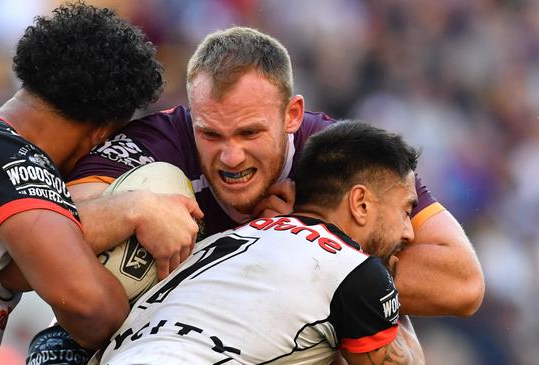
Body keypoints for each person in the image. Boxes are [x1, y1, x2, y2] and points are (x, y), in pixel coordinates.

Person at [27, 26, 483, 364]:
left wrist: (304, 239)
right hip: (130, 338)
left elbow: (461, 281)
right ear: (192, 116)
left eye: (249, 132)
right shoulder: (158, 144)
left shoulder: (340, 157)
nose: (230, 156)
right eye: (210, 133)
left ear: (292, 115)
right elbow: (46, 227)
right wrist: (134, 208)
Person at [0, 4, 202, 364]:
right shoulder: (4, 155)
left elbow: (14, 267)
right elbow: (93, 311)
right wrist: (135, 207)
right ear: (100, 133)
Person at [95, 121, 425, 365]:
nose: (409, 233)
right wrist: (387, 285)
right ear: (361, 204)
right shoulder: (351, 268)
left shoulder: (211, 246)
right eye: (406, 210)